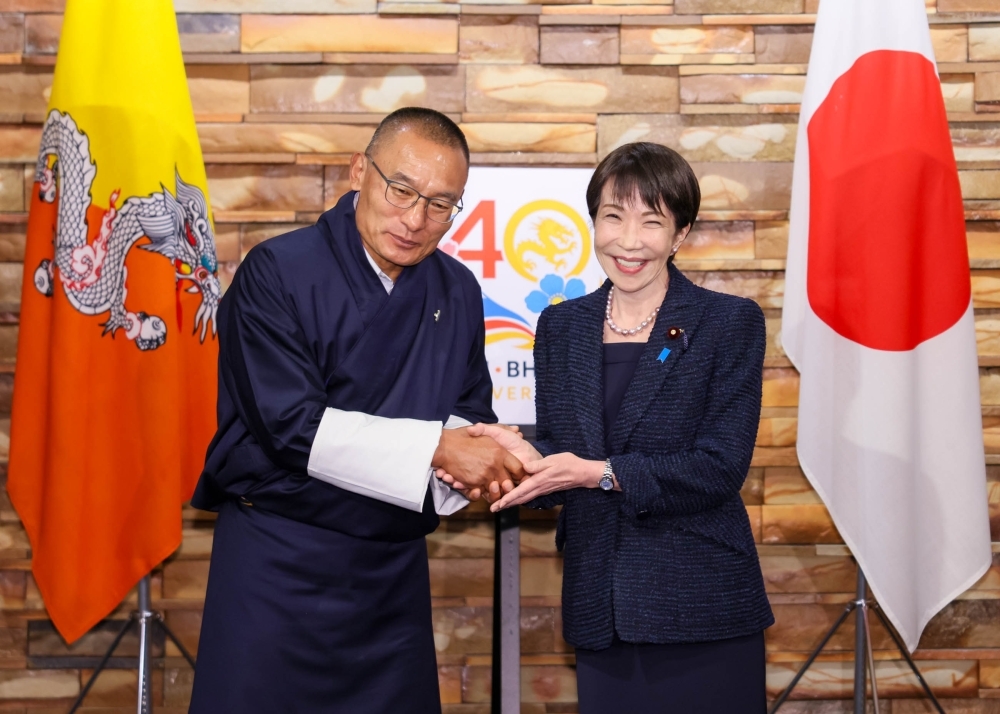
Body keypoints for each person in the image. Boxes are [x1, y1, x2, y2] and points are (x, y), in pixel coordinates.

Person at [188, 107, 524, 714]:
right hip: (278, 562)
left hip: (387, 576)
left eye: (441, 204)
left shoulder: (456, 289)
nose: (416, 219)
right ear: (359, 172)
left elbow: (465, 411)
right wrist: (438, 450)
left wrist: (485, 458)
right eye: (402, 190)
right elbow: (289, 426)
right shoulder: (278, 271)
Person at [441, 142, 774, 712]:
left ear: (680, 234)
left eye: (652, 221)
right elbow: (564, 451)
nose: (629, 239)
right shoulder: (561, 326)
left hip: (700, 602)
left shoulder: (727, 323)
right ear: (593, 221)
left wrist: (599, 474)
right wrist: (518, 457)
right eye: (613, 216)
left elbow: (719, 468)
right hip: (601, 602)